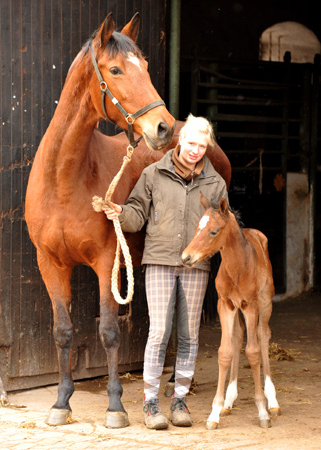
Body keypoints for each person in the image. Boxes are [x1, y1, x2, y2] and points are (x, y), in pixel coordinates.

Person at [104, 114, 228, 430]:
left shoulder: (216, 184)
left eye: (202, 146)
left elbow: (221, 226)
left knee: (189, 334)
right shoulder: (153, 174)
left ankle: (179, 400)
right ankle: (150, 403)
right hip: (159, 261)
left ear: (206, 147)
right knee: (159, 331)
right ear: (180, 140)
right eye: (191, 143)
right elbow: (136, 214)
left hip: (195, 266)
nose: (195, 151)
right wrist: (120, 212)